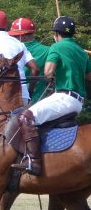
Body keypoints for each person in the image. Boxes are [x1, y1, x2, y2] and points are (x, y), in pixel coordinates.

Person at [11, 16, 91, 175]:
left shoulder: (56, 47)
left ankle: (33, 161)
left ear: (56, 33)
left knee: (26, 116)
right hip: (78, 101)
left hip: (64, 97)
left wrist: (54, 73)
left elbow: (47, 72)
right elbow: (89, 76)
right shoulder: (81, 52)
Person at [9, 17, 50, 103]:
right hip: (38, 102)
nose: (12, 38)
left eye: (14, 36)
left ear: (23, 36)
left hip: (11, 102)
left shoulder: (9, 50)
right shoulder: (48, 51)